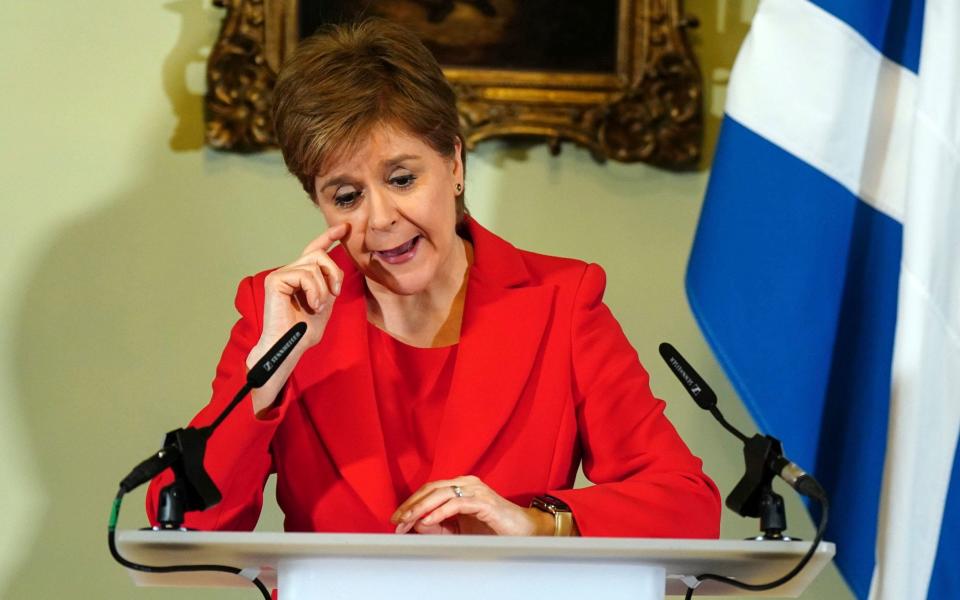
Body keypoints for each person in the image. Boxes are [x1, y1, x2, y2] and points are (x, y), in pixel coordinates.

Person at [147, 19, 720, 538]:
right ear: (318, 204)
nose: (380, 219)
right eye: (346, 196)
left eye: (401, 178)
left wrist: (538, 524)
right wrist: (267, 378)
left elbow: (687, 507)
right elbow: (185, 524)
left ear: (453, 163)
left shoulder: (562, 301)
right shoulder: (277, 312)